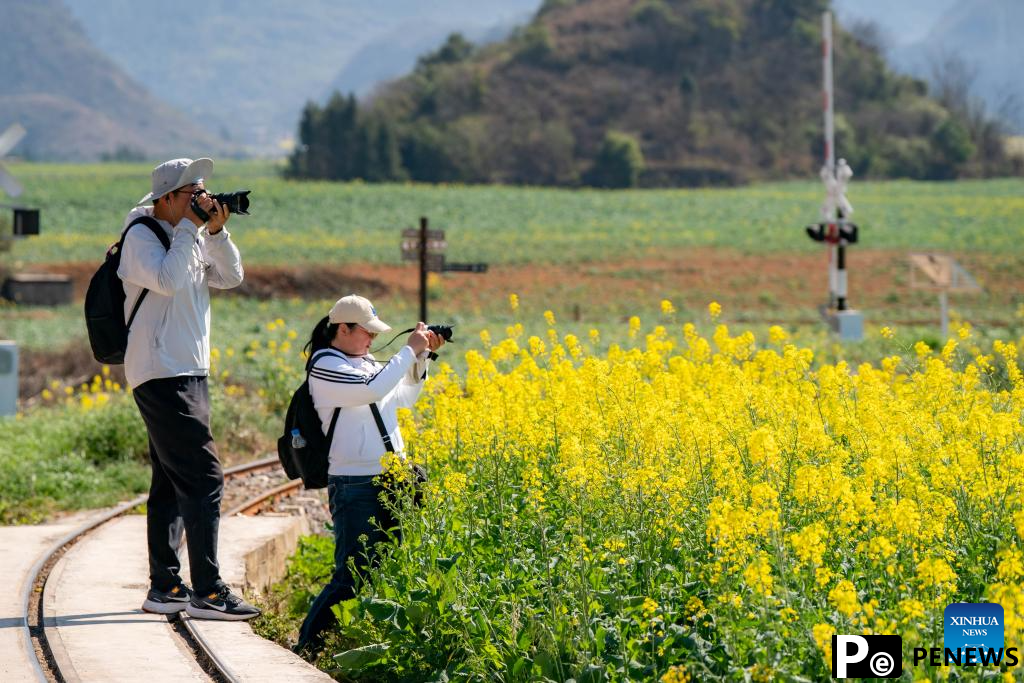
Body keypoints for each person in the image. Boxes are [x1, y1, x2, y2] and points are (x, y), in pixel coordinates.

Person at [120, 158, 259, 620]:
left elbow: (231, 277)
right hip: (160, 370)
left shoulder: (192, 235)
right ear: (165, 199)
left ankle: (165, 587)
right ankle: (209, 590)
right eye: (191, 194)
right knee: (204, 478)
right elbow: (167, 279)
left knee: (170, 482)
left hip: (188, 369)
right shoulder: (140, 236)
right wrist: (190, 231)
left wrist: (215, 233)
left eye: (204, 191)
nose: (202, 200)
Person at [295, 294, 443, 653]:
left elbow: (403, 397)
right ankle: (307, 646)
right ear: (342, 329)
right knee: (350, 574)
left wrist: (421, 357)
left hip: (390, 477)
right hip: (355, 483)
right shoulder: (325, 365)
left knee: (381, 568)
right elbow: (373, 390)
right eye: (367, 333)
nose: (372, 340)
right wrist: (408, 350)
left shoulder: (362, 363)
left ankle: (345, 641)